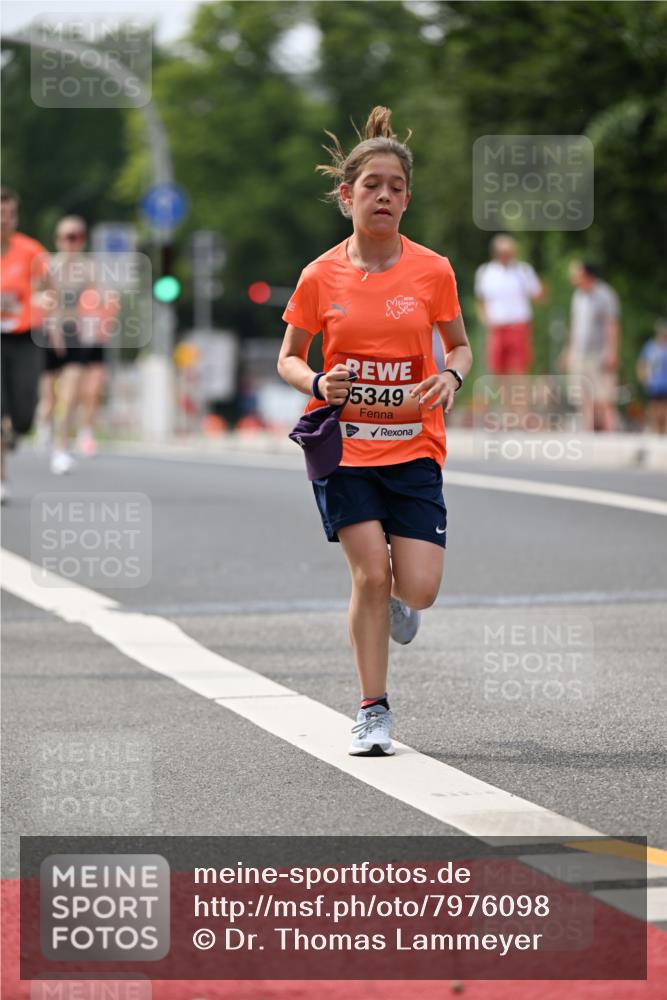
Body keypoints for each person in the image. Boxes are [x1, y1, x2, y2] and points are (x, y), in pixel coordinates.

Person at [277, 106, 472, 757]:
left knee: (416, 587)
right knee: (368, 573)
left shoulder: (433, 271)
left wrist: (451, 378)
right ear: (346, 194)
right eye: (370, 185)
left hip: (414, 445)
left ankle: (398, 602)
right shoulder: (318, 276)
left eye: (394, 186)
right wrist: (313, 384)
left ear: (406, 198)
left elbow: (461, 348)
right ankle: (372, 710)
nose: (383, 195)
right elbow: (288, 356)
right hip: (346, 448)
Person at [36, 216, 112, 473]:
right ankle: (44, 425)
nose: (73, 242)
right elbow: (35, 299)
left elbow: (101, 296)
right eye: (69, 237)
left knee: (70, 396)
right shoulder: (47, 267)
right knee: (49, 397)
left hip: (75, 332)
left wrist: (102, 306)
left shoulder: (89, 268)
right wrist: (51, 324)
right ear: (58, 240)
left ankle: (61, 449)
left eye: (78, 237)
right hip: (47, 332)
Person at [0, 187, 57, 503]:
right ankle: (1, 478)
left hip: (24, 337)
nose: (3, 221)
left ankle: (15, 433)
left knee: (24, 413)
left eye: (9, 215)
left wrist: (44, 304)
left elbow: (50, 290)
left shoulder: (31, 251)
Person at [474, 234, 543, 377]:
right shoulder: (485, 272)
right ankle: (505, 399)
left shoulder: (523, 270)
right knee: (498, 370)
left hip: (519, 326)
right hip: (497, 328)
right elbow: (480, 301)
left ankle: (519, 399)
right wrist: (486, 320)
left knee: (519, 370)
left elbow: (538, 295)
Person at [564, 261, 620, 432]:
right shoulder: (578, 296)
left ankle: (610, 431)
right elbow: (575, 325)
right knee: (582, 395)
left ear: (586, 275)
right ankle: (587, 431)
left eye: (576, 274)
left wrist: (612, 351)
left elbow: (612, 325)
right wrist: (568, 350)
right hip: (580, 352)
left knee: (604, 396)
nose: (572, 278)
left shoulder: (605, 294)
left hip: (599, 352)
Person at [637, 318, 667, 434]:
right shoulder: (650, 347)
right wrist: (643, 378)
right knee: (654, 408)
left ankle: (664, 432)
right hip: (654, 384)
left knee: (664, 408)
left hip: (665, 383)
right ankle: (655, 431)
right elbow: (643, 363)